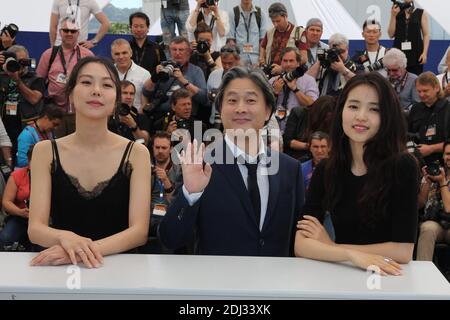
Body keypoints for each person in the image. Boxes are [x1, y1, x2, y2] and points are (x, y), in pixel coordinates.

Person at [159, 66, 304, 256]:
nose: (241, 108)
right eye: (232, 100)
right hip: (219, 283)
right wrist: (190, 195)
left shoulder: (289, 169)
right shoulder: (200, 165)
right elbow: (170, 239)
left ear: (268, 110)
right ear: (220, 109)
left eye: (251, 100)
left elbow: (298, 238)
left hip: (275, 283)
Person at [28, 56, 150, 268]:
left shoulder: (136, 153)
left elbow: (139, 232)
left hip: (121, 271)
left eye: (106, 85)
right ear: (71, 95)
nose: (96, 90)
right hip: (61, 271)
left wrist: (77, 250)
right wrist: (66, 240)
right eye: (86, 82)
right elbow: (35, 229)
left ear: (115, 100)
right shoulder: (45, 151)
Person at [295, 72, 419, 275]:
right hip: (340, 274)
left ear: (387, 117)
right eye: (353, 106)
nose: (361, 116)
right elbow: (301, 245)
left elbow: (402, 250)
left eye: (374, 109)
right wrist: (350, 255)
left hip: (388, 278)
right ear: (341, 110)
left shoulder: (403, 166)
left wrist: (332, 248)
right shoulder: (326, 169)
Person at [37, 17, 94, 137]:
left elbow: (94, 83)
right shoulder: (49, 55)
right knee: (57, 149)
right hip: (55, 115)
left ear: (78, 33)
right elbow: (38, 82)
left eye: (73, 31)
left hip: (80, 113)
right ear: (60, 32)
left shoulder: (87, 55)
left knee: (80, 149)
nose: (69, 33)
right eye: (66, 30)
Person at [0, 45, 46, 161]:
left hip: (26, 128)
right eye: (16, 61)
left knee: (25, 162)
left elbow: (34, 99)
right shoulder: (1, 77)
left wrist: (16, 80)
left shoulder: (36, 78)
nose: (20, 65)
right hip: (4, 129)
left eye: (23, 61)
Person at [269, 47, 318, 133]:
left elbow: (312, 104)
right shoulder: (273, 81)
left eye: (291, 61)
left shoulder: (309, 80)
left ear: (298, 63)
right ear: (281, 62)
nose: (288, 64)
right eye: (285, 61)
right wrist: (275, 92)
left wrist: (295, 89)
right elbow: (265, 107)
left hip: (298, 129)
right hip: (275, 128)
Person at [417, 141, 450, 261]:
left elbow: (448, 208)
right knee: (427, 228)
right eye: (447, 154)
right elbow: (420, 204)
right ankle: (423, 273)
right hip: (436, 223)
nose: (449, 157)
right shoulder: (436, 171)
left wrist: (442, 183)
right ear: (443, 155)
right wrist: (427, 181)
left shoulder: (441, 178)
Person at [408, 72, 450, 165]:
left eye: (425, 91)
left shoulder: (447, 109)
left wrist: (431, 149)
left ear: (437, 88)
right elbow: (408, 135)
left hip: (443, 163)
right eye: (419, 91)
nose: (421, 94)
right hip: (418, 163)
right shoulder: (415, 109)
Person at [0, 146, 34, 251]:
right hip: (21, 216)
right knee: (5, 238)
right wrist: (20, 212)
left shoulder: (53, 175)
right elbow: (6, 202)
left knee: (42, 246)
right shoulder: (17, 175)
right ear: (28, 161)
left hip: (46, 219)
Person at [259, 2, 307, 76]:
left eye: (278, 21)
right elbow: (262, 46)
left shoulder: (299, 32)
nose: (275, 24)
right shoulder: (269, 32)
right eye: (273, 21)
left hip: (289, 76)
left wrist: (283, 68)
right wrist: (262, 58)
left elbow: (304, 59)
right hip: (270, 74)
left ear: (286, 16)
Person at [16, 101, 64, 168]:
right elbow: (22, 162)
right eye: (54, 124)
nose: (55, 128)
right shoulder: (26, 135)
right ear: (45, 118)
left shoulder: (50, 132)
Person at [307, 33, 356, 97]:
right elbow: (306, 80)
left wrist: (343, 70)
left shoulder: (354, 66)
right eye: (335, 52)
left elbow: (359, 83)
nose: (338, 55)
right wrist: (321, 60)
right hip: (322, 103)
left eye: (341, 51)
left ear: (347, 49)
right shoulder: (324, 65)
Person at [388, 0, 429, 75]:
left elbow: (426, 35)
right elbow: (391, 34)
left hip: (416, 54)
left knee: (415, 80)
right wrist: (393, 15)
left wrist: (424, 53)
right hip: (398, 54)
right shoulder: (396, 12)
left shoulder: (421, 13)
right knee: (397, 79)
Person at [111, 39, 151, 112]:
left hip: (136, 117)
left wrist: (138, 120)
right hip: (112, 118)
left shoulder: (144, 74)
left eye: (124, 53)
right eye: (117, 54)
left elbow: (145, 103)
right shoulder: (107, 73)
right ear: (112, 55)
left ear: (131, 53)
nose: (121, 57)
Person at [226, 0, 268, 67]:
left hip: (256, 58)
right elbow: (231, 40)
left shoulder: (260, 13)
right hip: (240, 57)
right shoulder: (233, 13)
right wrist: (236, 59)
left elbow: (263, 40)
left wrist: (261, 58)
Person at [108, 80, 150, 145]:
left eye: (131, 94)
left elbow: (145, 141)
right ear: (116, 95)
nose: (129, 97)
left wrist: (133, 126)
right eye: (125, 93)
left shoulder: (141, 118)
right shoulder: (106, 115)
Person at [129, 12, 166, 81]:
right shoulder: (126, 47)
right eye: (135, 26)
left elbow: (163, 69)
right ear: (131, 27)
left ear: (148, 28)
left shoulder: (157, 48)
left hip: (151, 86)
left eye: (142, 26)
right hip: (128, 87)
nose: (139, 29)